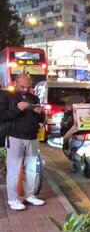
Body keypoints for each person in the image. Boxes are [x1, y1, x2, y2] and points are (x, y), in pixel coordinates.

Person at [0, 72, 45, 210]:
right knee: (13, 169)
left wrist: (40, 113)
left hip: (32, 137)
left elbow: (40, 120)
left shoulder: (34, 97)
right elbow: (2, 116)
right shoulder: (7, 96)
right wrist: (17, 109)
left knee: (32, 169)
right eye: (22, 86)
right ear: (15, 83)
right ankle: (13, 199)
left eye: (28, 87)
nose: (25, 89)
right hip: (14, 136)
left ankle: (30, 195)